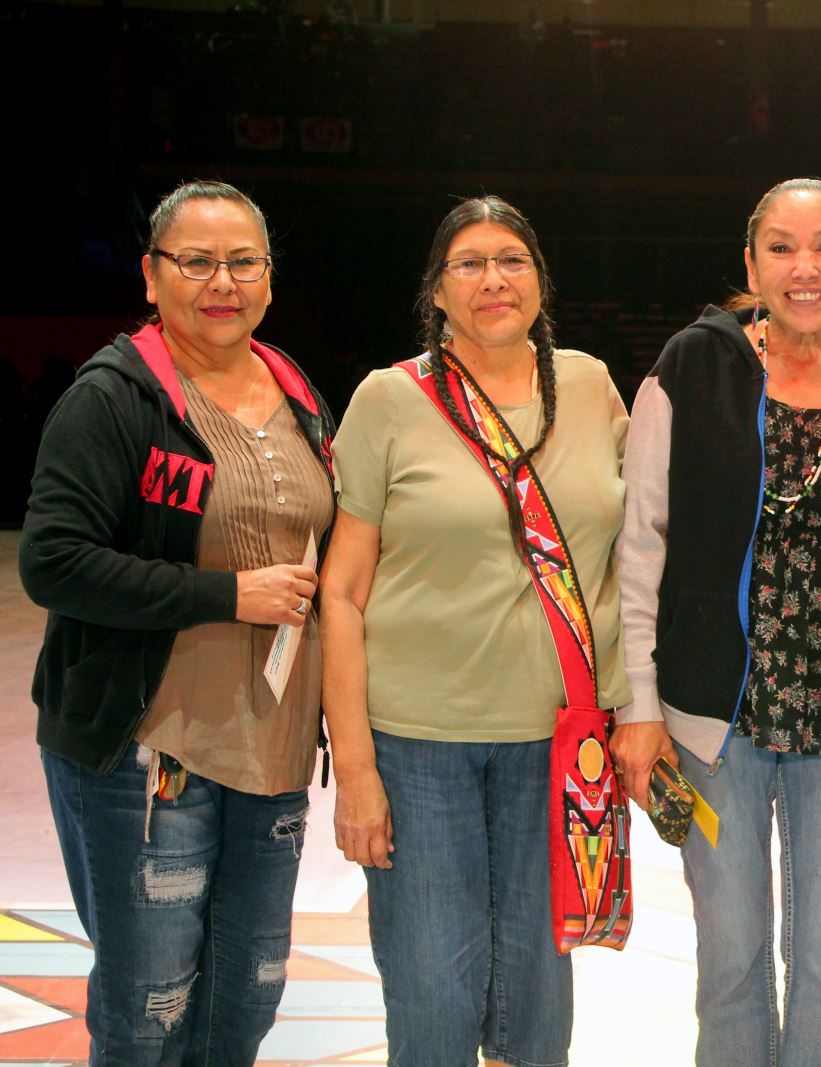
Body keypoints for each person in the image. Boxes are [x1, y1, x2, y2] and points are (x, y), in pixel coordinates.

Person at [612, 177, 821, 1067]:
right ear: (751, 264)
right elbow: (640, 545)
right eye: (784, 248)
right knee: (731, 958)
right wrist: (637, 705)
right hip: (712, 720)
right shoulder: (690, 366)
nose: (806, 268)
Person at [20, 179, 336, 1064]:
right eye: (195, 262)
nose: (221, 281)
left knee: (247, 994)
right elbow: (52, 561)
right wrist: (226, 595)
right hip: (148, 749)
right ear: (152, 278)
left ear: (269, 278)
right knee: (149, 1010)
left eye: (242, 262)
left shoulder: (296, 388)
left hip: (270, 751)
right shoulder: (114, 396)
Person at [319, 196, 629, 1067]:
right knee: (431, 991)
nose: (494, 278)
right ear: (438, 293)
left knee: (538, 999)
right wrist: (355, 769)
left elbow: (640, 550)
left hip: (560, 743)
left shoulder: (593, 384)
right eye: (469, 263)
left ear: (539, 280)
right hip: (420, 746)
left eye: (513, 259)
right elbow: (340, 593)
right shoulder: (390, 399)